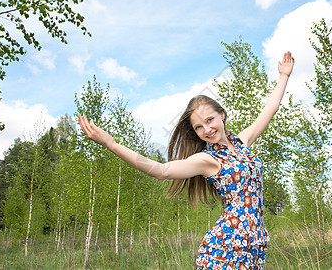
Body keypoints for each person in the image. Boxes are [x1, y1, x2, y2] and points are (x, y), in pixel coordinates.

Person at [78, 51, 294, 269]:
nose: (207, 129)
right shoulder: (206, 160)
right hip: (227, 249)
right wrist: (111, 144)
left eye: (210, 120)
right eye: (199, 127)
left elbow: (270, 108)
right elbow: (160, 170)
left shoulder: (243, 142)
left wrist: (283, 75)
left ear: (222, 115)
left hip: (255, 246)